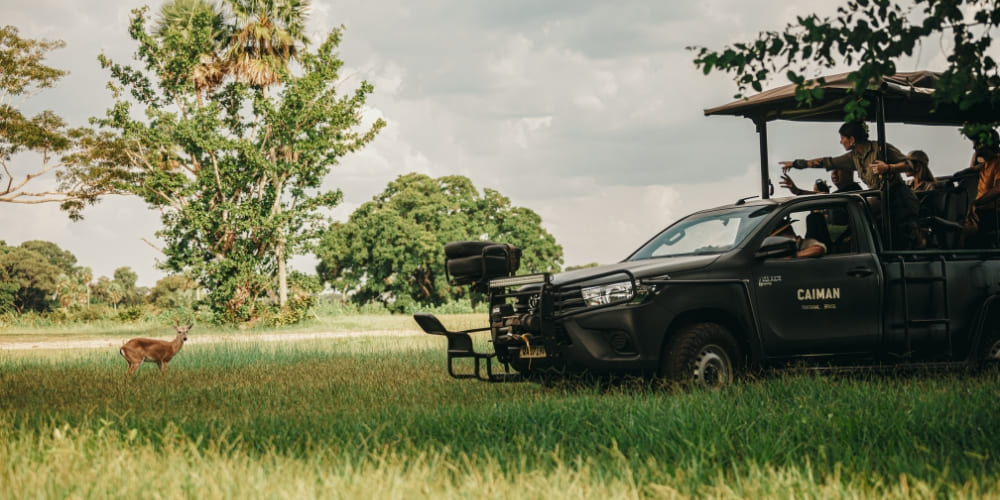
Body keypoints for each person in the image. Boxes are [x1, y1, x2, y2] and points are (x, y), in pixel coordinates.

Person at [779, 121, 920, 249]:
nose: (841, 142)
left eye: (842, 138)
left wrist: (889, 168)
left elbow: (910, 165)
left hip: (899, 201)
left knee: (901, 242)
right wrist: (796, 164)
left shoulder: (881, 148)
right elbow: (826, 162)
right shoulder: (853, 157)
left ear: (852, 139)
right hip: (880, 201)